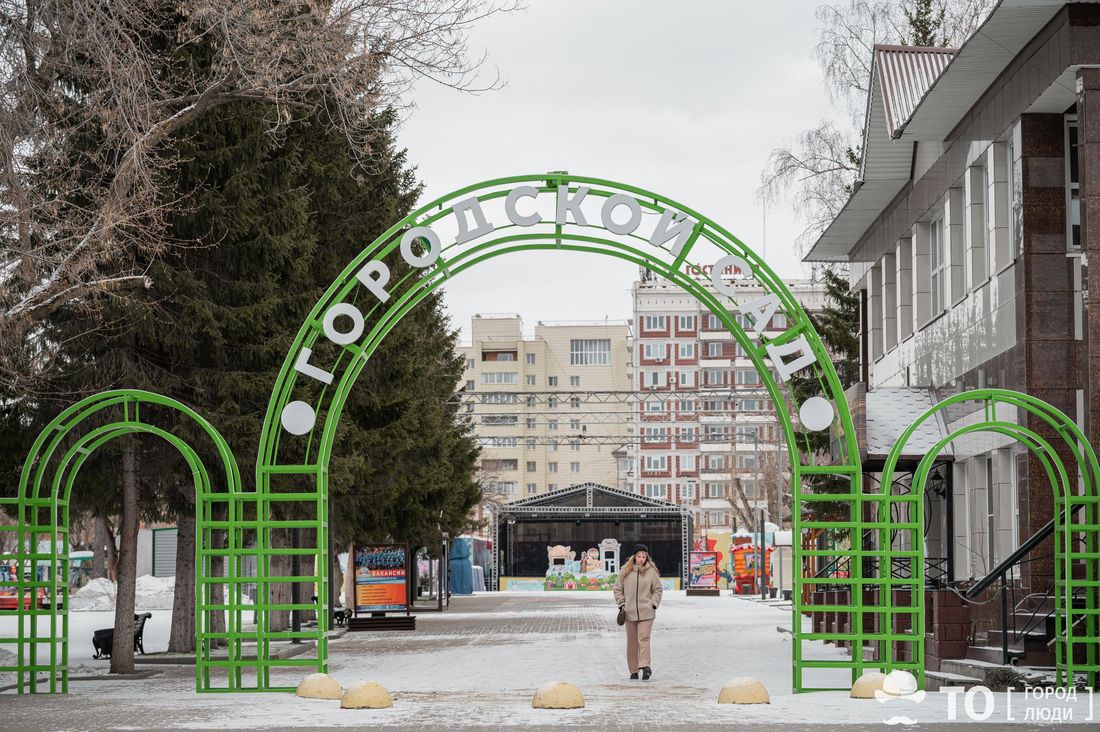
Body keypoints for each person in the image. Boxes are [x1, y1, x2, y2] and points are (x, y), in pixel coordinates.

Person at [612, 544, 663, 680]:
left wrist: (653, 604)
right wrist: (622, 604)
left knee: (644, 638)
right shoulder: (625, 571)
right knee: (632, 642)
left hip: (647, 612)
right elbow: (617, 589)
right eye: (639, 556)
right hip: (629, 613)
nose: (641, 559)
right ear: (634, 557)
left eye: (644, 556)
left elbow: (658, 589)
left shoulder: (651, 571)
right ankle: (633, 670)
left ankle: (645, 666)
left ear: (647, 557)